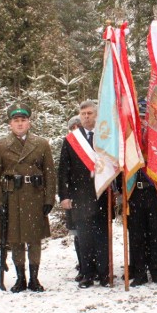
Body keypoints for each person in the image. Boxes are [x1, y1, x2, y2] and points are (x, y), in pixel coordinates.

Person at [0, 102, 56, 293]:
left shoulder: (41, 144)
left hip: (35, 196)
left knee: (34, 239)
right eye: (16, 120)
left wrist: (49, 199)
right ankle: (20, 278)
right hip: (13, 197)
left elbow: (49, 173)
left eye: (23, 120)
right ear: (10, 123)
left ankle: (34, 278)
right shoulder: (0, 145)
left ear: (29, 122)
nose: (20, 124)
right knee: (16, 239)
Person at [58, 101, 111, 289]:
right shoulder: (72, 140)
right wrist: (64, 196)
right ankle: (87, 274)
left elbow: (115, 165)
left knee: (102, 237)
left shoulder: (106, 137)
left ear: (97, 115)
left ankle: (104, 274)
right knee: (85, 237)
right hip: (80, 197)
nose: (86, 116)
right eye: (83, 113)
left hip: (103, 195)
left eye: (89, 113)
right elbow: (63, 170)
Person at [127, 99, 157, 286]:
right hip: (135, 191)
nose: (143, 119)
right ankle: (139, 272)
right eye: (141, 116)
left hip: (153, 191)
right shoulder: (130, 136)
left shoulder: (156, 135)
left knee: (154, 234)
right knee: (136, 235)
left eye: (145, 115)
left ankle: (156, 271)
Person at [65, 115, 84, 282]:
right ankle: (82, 263)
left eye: (78, 127)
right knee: (78, 234)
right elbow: (63, 172)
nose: (75, 131)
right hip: (74, 196)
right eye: (73, 128)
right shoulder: (68, 145)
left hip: (91, 197)